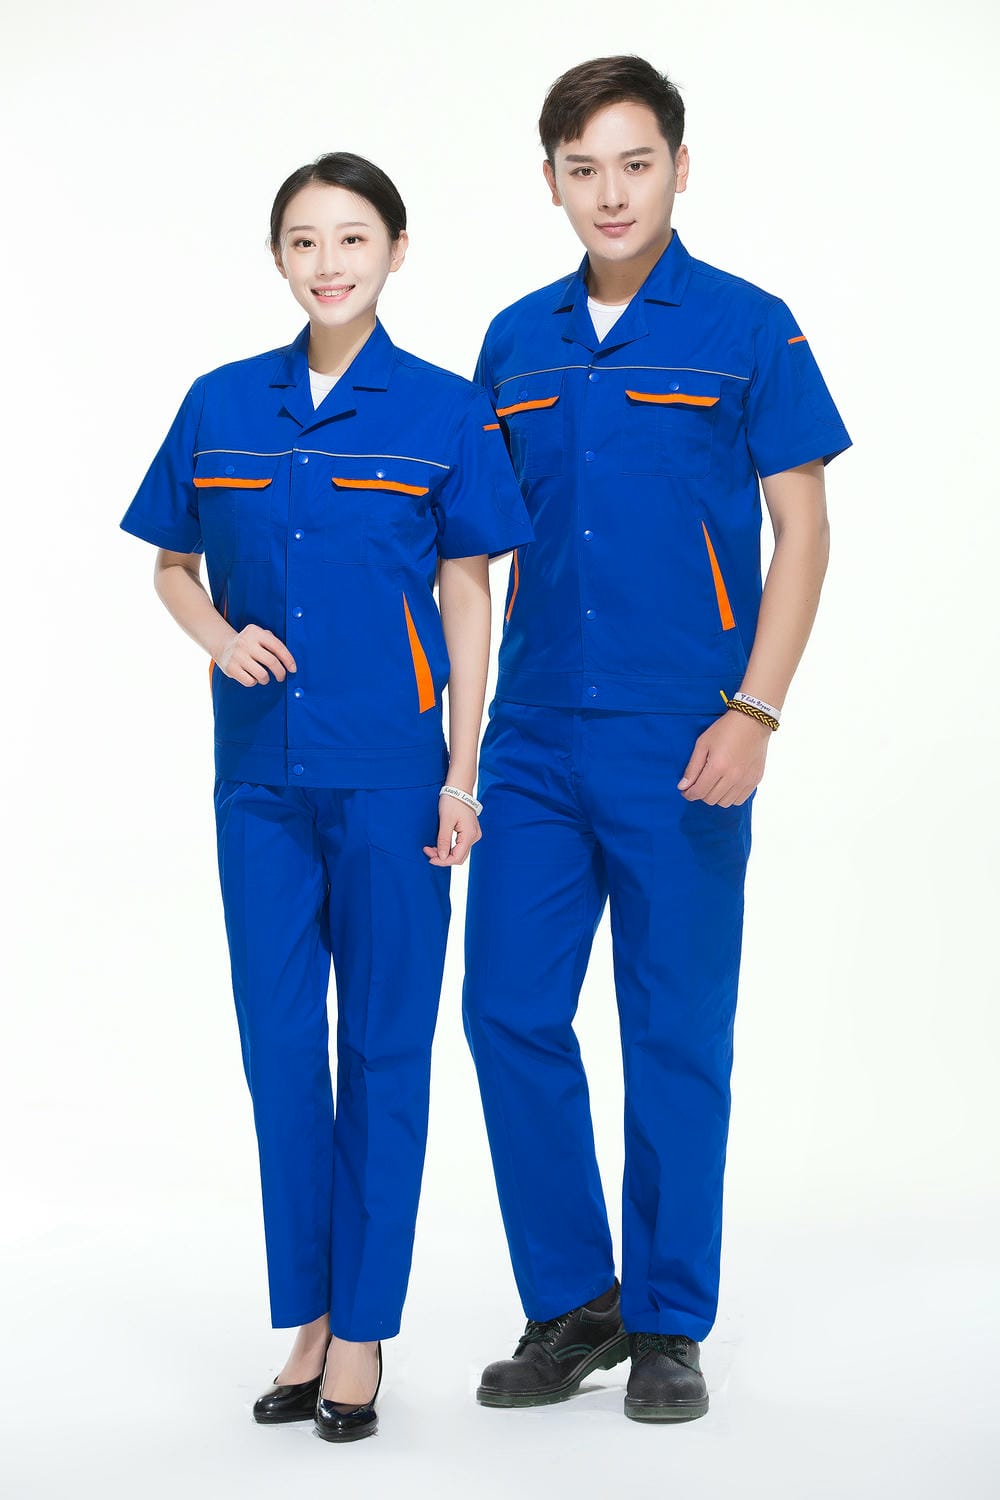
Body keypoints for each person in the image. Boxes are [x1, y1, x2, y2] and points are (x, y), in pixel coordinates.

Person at [462, 56, 851, 1424]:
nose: (611, 192)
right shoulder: (514, 341)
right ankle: (578, 1300)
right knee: (507, 1010)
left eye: (635, 163)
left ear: (680, 168)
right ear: (551, 182)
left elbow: (803, 531)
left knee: (673, 1026)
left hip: (687, 736)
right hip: (529, 737)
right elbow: (466, 551)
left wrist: (756, 710)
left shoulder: (749, 327)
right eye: (583, 168)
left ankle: (671, 1317)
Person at [120, 151, 532, 1443]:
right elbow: (171, 565)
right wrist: (216, 636)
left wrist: (464, 772)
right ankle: (306, 1313)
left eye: (354, 237)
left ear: (397, 250)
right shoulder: (220, 401)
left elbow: (468, 595)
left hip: (397, 782)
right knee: (283, 1052)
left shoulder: (447, 409)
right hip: (259, 782)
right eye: (304, 240)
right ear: (278, 258)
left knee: (388, 1053)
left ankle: (363, 1331)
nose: (329, 262)